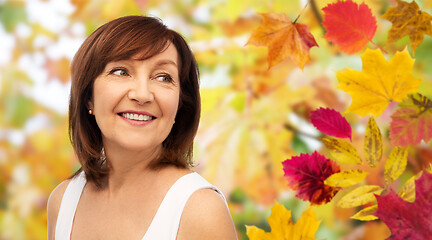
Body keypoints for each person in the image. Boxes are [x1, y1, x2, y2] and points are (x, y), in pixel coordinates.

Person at [47, 15, 238, 240]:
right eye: (121, 72)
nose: (142, 95)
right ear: (89, 97)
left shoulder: (200, 210)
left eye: (163, 77)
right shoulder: (63, 201)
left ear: (180, 104)